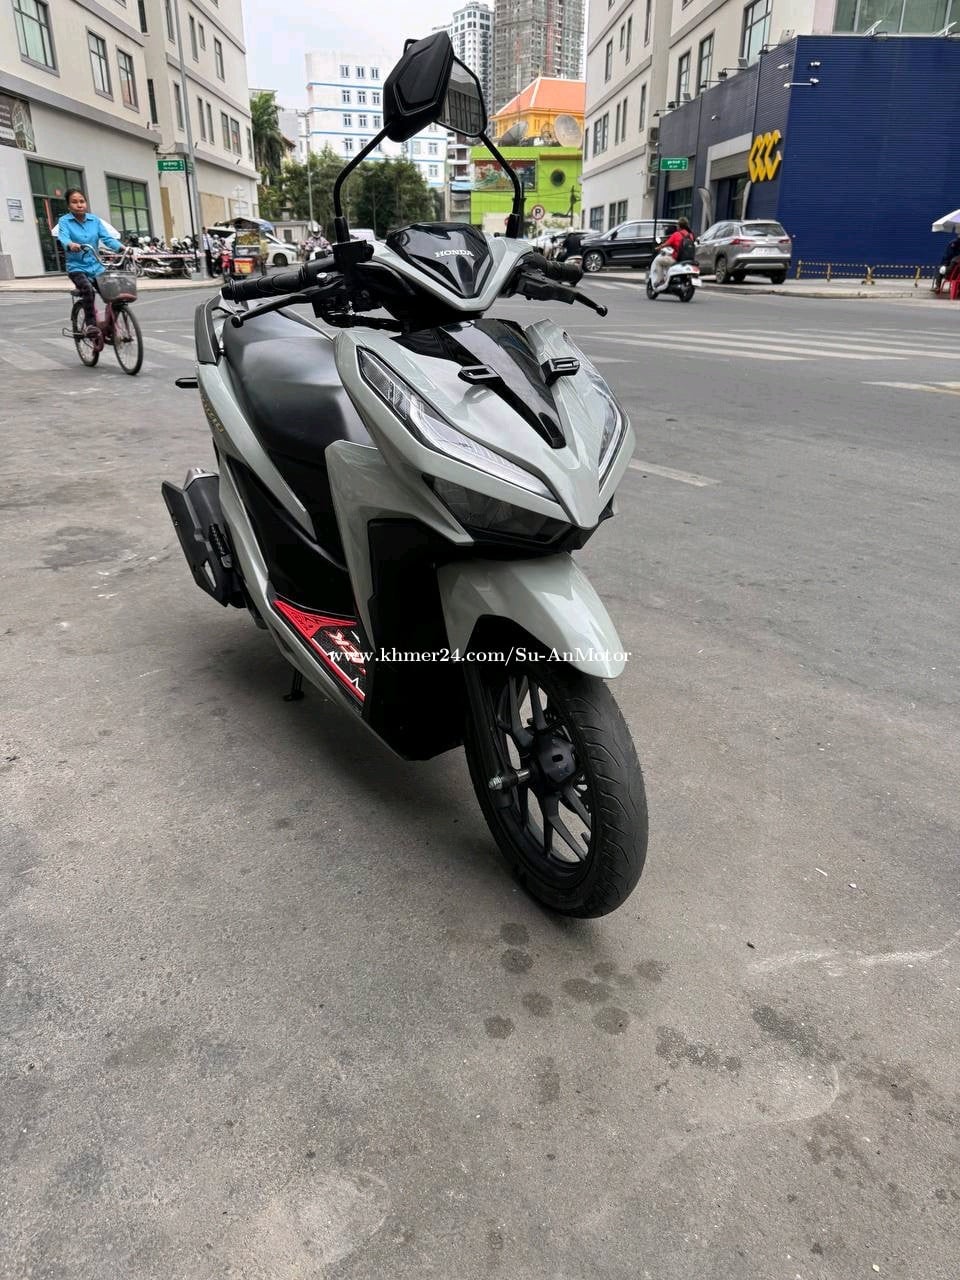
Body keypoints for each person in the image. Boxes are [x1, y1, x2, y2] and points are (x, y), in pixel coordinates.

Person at [55, 188, 123, 338]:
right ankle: (91, 325)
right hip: (77, 268)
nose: (79, 205)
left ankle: (110, 325)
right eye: (74, 202)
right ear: (68, 206)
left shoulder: (95, 220)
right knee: (88, 290)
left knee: (116, 294)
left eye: (82, 201)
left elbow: (107, 238)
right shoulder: (64, 221)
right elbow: (63, 237)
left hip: (96, 267)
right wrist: (70, 244)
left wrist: (121, 248)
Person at [649, 217, 694, 291]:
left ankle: (660, 279)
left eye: (677, 225)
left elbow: (667, 243)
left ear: (679, 226)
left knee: (658, 261)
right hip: (688, 259)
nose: (677, 226)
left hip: (677, 259)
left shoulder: (676, 234)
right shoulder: (690, 235)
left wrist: (658, 248)